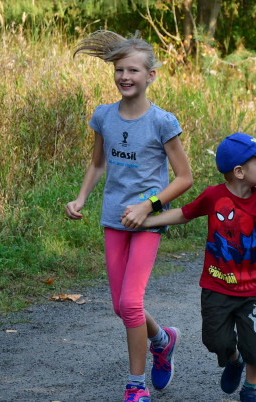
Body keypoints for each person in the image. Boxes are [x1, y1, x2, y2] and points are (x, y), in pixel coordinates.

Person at [65, 30, 194, 402]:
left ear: (150, 75)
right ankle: (162, 340)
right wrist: (80, 198)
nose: (125, 77)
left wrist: (148, 206)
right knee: (121, 306)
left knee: (132, 302)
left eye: (134, 70)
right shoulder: (104, 116)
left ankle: (136, 386)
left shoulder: (162, 122)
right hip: (113, 219)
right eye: (120, 70)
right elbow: (97, 163)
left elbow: (185, 179)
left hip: (149, 221)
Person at [141, 133, 256, 402]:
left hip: (255, 289)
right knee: (215, 341)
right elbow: (184, 213)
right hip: (217, 285)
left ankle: (251, 387)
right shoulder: (213, 196)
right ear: (239, 171)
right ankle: (234, 359)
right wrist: (149, 221)